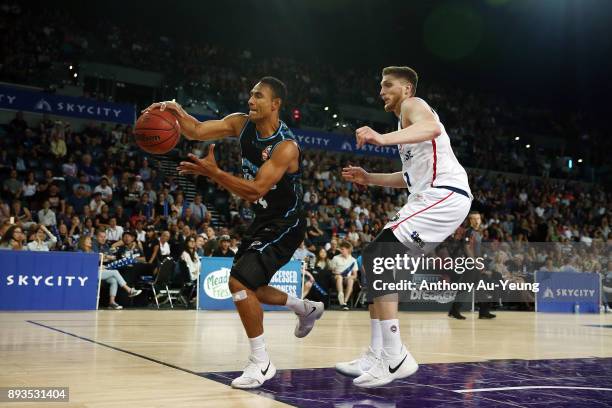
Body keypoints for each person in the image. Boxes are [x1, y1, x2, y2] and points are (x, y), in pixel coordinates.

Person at [147, 76, 324, 389]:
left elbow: (255, 190)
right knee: (250, 288)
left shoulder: (285, 147)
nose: (250, 101)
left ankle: (261, 362)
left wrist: (213, 172)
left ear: (275, 104)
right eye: (250, 95)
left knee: (238, 281)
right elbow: (196, 130)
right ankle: (305, 308)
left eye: (258, 96)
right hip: (262, 220)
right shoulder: (240, 123)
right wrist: (176, 111)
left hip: (287, 222)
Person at [339, 66, 472, 387]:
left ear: (407, 89)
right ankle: (378, 353)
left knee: (379, 255)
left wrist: (381, 138)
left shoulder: (414, 107)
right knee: (376, 262)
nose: (381, 91)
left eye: (388, 85)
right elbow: (409, 178)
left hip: (446, 193)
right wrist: (370, 178)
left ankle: (395, 355)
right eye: (380, 86)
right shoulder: (405, 129)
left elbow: (433, 128)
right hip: (427, 195)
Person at [79, 236, 142, 310]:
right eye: (88, 239)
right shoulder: (79, 251)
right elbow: (83, 264)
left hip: (96, 271)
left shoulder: (92, 251)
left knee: (113, 280)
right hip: (87, 274)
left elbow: (95, 261)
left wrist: (101, 266)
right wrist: (99, 265)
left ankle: (111, 302)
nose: (90, 241)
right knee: (115, 272)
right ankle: (129, 290)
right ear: (83, 241)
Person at [329, 241, 358, 310]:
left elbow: (355, 275)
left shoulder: (353, 260)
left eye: (342, 249)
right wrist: (337, 273)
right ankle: (340, 294)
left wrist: (349, 277)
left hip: (346, 278)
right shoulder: (336, 258)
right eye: (340, 249)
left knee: (351, 280)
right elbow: (331, 270)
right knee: (339, 277)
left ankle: (344, 302)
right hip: (336, 277)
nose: (341, 250)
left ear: (348, 250)